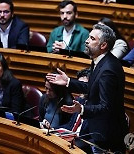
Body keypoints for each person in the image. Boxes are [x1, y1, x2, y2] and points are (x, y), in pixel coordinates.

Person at [46, 24, 129, 153]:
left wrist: (82, 109)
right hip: (98, 129)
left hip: (107, 135)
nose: (86, 40)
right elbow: (92, 87)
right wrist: (68, 82)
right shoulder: (99, 60)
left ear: (103, 45)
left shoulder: (109, 69)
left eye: (92, 38)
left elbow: (106, 106)